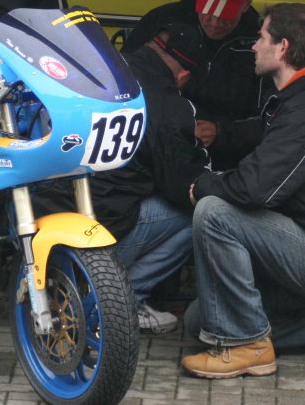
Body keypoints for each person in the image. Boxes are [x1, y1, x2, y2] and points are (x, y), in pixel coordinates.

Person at [180, 2, 305, 379]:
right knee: (199, 321)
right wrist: (222, 132)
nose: (254, 46)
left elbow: (255, 189)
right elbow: (265, 135)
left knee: (213, 213)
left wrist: (203, 185)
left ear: (282, 48)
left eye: (261, 37)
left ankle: (248, 345)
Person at [33, 24, 211, 333]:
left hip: (37, 218)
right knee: (202, 213)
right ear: (183, 77)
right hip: (97, 229)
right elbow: (183, 186)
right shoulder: (168, 105)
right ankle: (124, 302)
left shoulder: (96, 67)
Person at [124, 0, 264, 168]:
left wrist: (222, 132)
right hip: (157, 148)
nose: (215, 23)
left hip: (227, 160)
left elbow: (272, 119)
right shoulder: (161, 20)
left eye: (226, 16)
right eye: (208, 11)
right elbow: (124, 80)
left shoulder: (261, 40)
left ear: (246, 4)